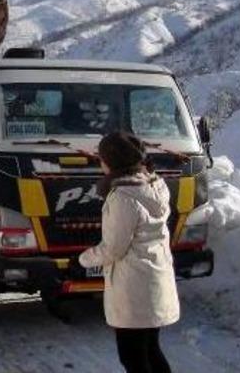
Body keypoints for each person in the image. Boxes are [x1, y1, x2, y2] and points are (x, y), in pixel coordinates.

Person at [78, 131, 179, 373]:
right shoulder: (155, 185)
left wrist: (83, 259)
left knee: (133, 358)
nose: (100, 163)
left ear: (112, 162)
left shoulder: (123, 197)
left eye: (101, 158)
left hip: (134, 287)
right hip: (155, 280)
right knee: (151, 350)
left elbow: (113, 248)